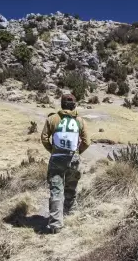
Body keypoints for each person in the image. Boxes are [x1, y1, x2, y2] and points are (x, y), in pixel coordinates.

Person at [40, 94, 90, 234]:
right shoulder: (80, 120)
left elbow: (44, 138)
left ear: (61, 104)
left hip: (57, 158)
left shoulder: (52, 119)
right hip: (72, 158)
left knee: (56, 190)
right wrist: (77, 153)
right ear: (74, 105)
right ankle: (71, 214)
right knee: (71, 187)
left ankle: (56, 224)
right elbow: (87, 142)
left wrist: (53, 150)